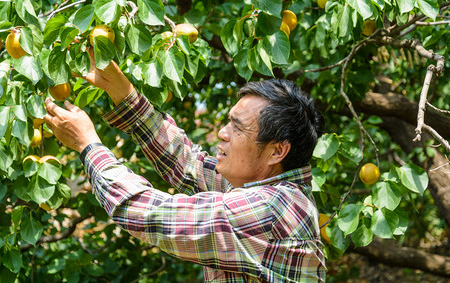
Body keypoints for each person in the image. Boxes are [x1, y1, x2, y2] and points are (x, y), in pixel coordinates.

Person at [44, 52, 326, 282]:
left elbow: (148, 214)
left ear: (277, 151)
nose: (222, 133)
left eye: (237, 128)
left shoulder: (270, 209)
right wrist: (122, 91)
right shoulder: (265, 187)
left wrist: (88, 145)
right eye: (228, 121)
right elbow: (187, 162)